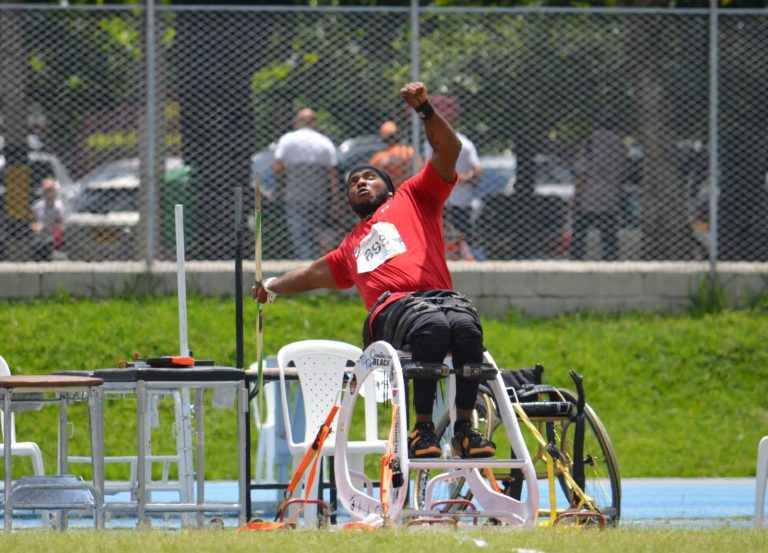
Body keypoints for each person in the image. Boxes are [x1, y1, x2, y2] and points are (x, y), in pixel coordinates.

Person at [253, 82, 495, 460]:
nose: (361, 182)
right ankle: (422, 429)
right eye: (353, 182)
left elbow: (450, 150)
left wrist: (426, 110)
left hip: (439, 299)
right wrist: (270, 285)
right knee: (432, 326)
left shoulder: (417, 197)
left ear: (391, 187)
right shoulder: (349, 245)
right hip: (393, 311)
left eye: (369, 177)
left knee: (465, 328)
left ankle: (464, 428)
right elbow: (311, 275)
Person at [272, 108, 340, 259]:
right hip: (319, 195)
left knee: (300, 234)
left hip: (295, 193)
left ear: (297, 122)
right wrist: (335, 200)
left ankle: (306, 264)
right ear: (314, 122)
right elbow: (333, 174)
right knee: (317, 232)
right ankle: (318, 264)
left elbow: (277, 166)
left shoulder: (288, 139)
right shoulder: (324, 142)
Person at [571, 122, 629, 261]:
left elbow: (582, 173)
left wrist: (576, 196)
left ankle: (576, 259)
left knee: (580, 232)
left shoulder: (590, 142)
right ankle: (611, 261)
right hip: (610, 195)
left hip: (589, 196)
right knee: (608, 233)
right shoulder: (619, 144)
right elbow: (624, 173)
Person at [423, 123, 481, 261]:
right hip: (460, 200)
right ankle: (466, 257)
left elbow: (428, 170)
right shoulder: (466, 144)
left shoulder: (432, 142)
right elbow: (477, 173)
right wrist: (465, 178)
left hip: (444, 199)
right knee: (462, 236)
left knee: (445, 236)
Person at [368, 120, 415, 189]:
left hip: (387, 192)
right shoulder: (408, 151)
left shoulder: (378, 157)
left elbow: (370, 175)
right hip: (406, 190)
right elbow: (420, 168)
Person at [30, 177, 64, 261]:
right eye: (46, 191)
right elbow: (32, 222)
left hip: (52, 241)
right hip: (38, 240)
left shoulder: (58, 208)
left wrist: (45, 228)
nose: (49, 194)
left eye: (51, 190)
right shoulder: (38, 206)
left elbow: (60, 227)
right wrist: (35, 227)